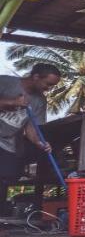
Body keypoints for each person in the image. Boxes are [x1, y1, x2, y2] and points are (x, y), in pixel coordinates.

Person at [0, 64, 61, 225]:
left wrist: (40, 143)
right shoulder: (5, 82)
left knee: (5, 178)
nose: (48, 89)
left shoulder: (40, 100)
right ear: (35, 77)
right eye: (48, 84)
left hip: (7, 143)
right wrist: (12, 102)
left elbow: (31, 127)